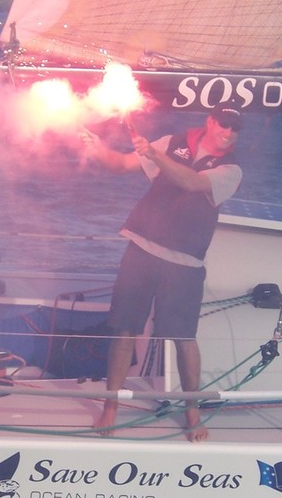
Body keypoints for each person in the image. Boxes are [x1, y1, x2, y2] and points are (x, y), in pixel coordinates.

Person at [81, 104, 243, 442]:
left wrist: (154, 153)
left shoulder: (231, 169)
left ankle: (192, 412)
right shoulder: (174, 141)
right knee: (125, 330)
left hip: (185, 263)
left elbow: (190, 181)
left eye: (236, 128)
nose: (229, 132)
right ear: (210, 121)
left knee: (184, 338)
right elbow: (120, 164)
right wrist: (94, 145)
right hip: (141, 247)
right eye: (224, 124)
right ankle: (111, 407)